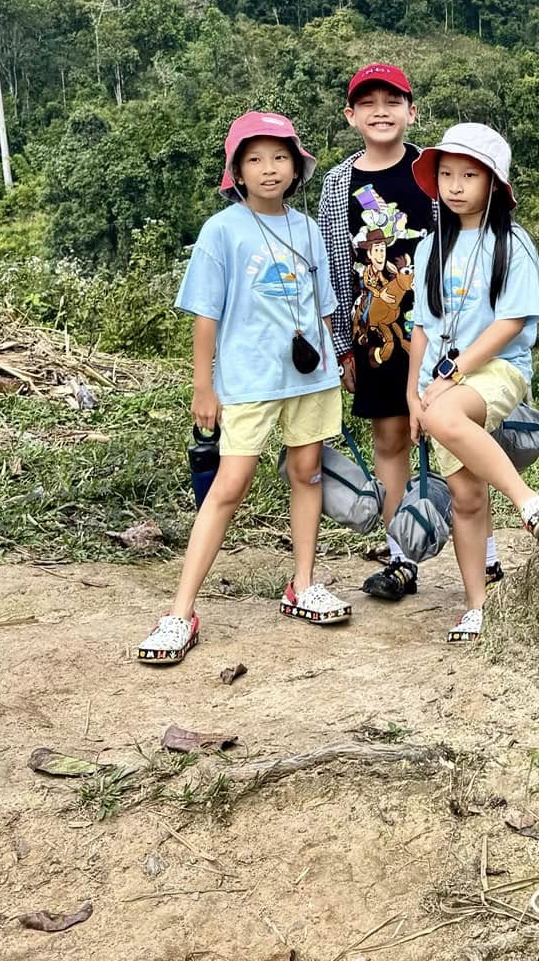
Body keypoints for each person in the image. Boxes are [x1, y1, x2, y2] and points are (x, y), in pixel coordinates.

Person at [136, 111, 352, 665]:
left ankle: (303, 585)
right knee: (229, 486)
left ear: (297, 168)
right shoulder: (222, 230)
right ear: (237, 171)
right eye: (255, 159)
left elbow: (324, 306)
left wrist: (339, 360)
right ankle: (180, 613)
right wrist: (203, 387)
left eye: (280, 158)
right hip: (249, 379)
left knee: (307, 472)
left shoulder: (308, 229)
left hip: (311, 377)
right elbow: (204, 316)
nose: (269, 168)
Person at [317, 64, 502, 602]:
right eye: (368, 103)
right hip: (374, 337)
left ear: (411, 111)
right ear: (350, 116)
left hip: (444, 334)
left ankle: (487, 556)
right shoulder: (339, 184)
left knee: (458, 440)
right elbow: (333, 268)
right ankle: (402, 557)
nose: (381, 111)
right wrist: (342, 347)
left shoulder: (432, 172)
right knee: (390, 438)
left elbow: (468, 245)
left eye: (392, 101)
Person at [407, 123, 539, 643]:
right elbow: (422, 328)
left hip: (499, 368)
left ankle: (527, 501)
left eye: (469, 176)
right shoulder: (429, 248)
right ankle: (478, 605)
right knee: (465, 496)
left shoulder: (513, 243)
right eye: (446, 174)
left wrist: (451, 375)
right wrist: (413, 396)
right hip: (439, 383)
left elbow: (511, 324)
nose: (455, 186)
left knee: (446, 414)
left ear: (493, 183)